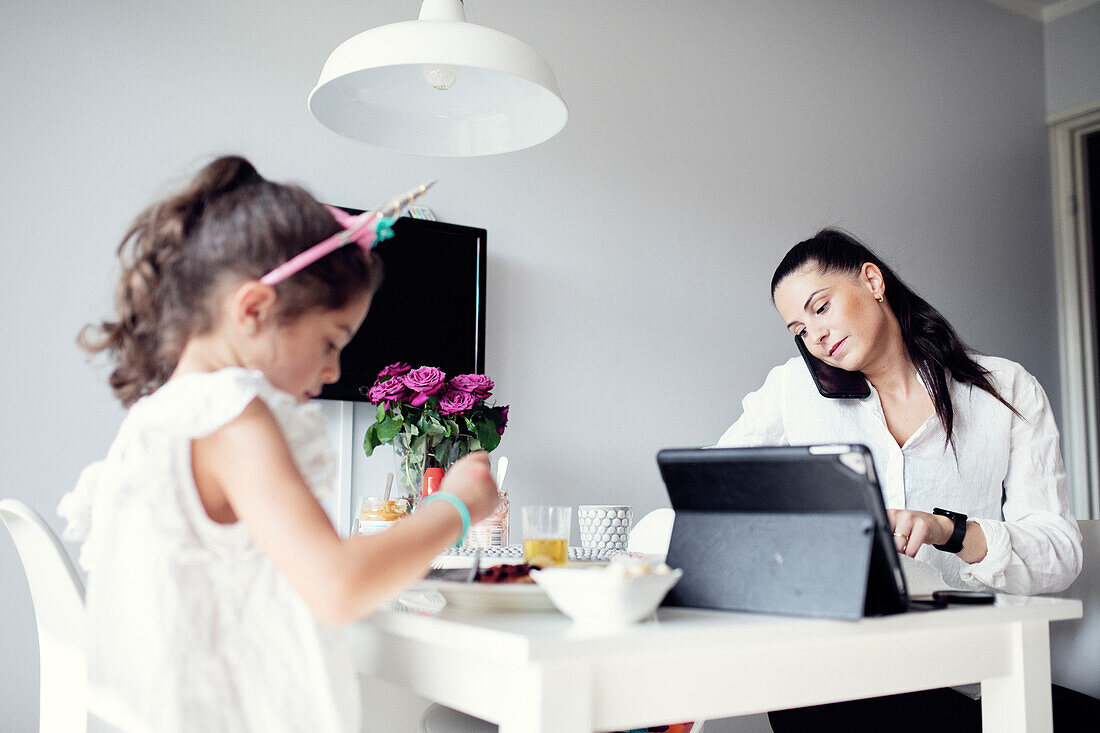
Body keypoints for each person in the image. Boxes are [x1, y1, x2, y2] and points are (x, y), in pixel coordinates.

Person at [57, 156, 499, 733]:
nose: (335, 368)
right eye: (330, 341)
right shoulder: (229, 416)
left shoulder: (159, 420)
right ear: (254, 310)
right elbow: (338, 587)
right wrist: (458, 504)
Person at [716, 228, 1095, 731]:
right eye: (799, 330)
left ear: (872, 280)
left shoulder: (1006, 390)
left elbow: (1059, 555)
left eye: (821, 307)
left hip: (970, 674)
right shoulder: (791, 390)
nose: (816, 337)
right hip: (834, 676)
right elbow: (711, 495)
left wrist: (950, 531)